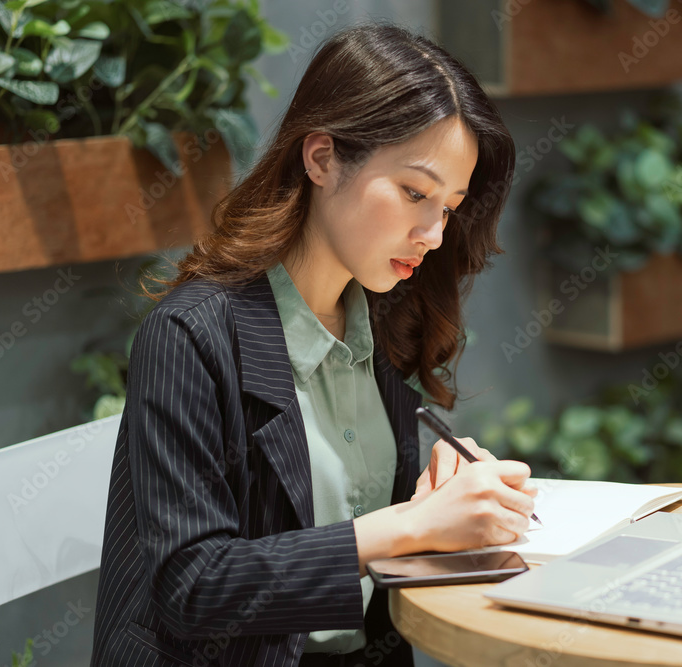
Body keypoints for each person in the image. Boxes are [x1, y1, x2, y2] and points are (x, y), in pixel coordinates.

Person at [90, 20, 538, 667]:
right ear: (321, 157)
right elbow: (192, 585)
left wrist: (431, 496)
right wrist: (409, 525)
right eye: (415, 192)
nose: (434, 233)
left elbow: (345, 509)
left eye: (449, 206)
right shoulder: (191, 335)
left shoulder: (380, 321)